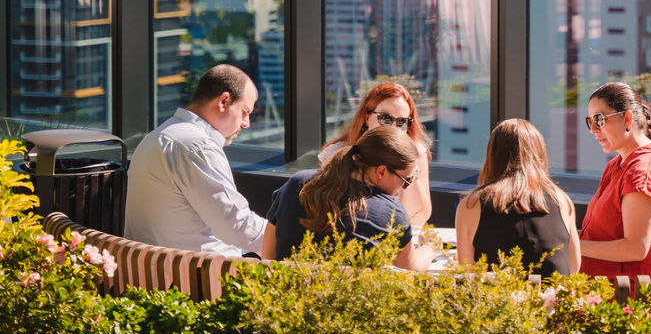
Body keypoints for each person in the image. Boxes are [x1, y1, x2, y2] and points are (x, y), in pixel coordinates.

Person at [125, 65, 267, 257]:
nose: (246, 123)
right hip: (199, 278)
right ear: (224, 101)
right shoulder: (196, 147)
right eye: (244, 112)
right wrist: (293, 234)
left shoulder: (156, 136)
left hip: (155, 273)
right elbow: (237, 227)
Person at [263, 126, 435, 271]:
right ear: (381, 171)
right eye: (406, 181)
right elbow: (412, 267)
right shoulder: (391, 214)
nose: (401, 190)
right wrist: (430, 247)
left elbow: (268, 257)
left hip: (286, 303)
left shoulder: (297, 184)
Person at [579, 82, 651, 281]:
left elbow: (635, 248)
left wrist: (571, 245)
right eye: (590, 121)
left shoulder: (642, 170)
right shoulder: (618, 165)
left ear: (627, 118)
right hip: (608, 295)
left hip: (633, 302)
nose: (593, 129)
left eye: (600, 119)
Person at [455, 119, 579, 276]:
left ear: (492, 155)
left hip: (498, 299)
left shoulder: (471, 205)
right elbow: (573, 268)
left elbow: (468, 274)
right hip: (552, 299)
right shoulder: (562, 200)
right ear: (539, 153)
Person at [320, 82, 433, 227]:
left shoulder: (417, 153)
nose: (392, 127)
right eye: (385, 118)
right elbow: (329, 211)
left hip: (401, 238)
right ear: (367, 117)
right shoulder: (338, 154)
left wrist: (409, 166)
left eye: (401, 122)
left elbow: (418, 219)